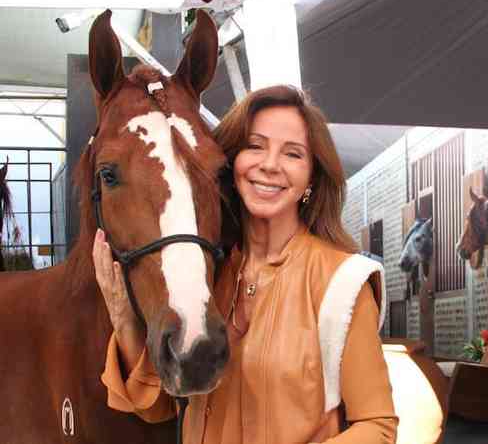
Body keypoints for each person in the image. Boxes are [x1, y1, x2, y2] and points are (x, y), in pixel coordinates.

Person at [93, 85, 398, 444]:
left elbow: (377, 426)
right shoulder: (209, 278)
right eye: (255, 146)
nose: (270, 165)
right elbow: (161, 407)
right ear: (232, 163)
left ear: (311, 180)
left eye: (293, 154)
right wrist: (124, 320)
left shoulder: (342, 281)